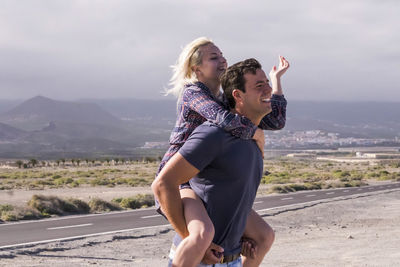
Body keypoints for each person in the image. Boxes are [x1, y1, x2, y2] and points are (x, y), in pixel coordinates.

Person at [154, 37, 289, 266]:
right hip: (183, 179)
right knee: (202, 235)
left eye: (222, 55)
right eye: (213, 57)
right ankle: (196, 247)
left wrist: (275, 82)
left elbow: (276, 120)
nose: (222, 60)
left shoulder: (223, 99)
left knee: (264, 236)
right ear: (196, 69)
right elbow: (223, 119)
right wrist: (255, 132)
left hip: (203, 168)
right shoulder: (193, 92)